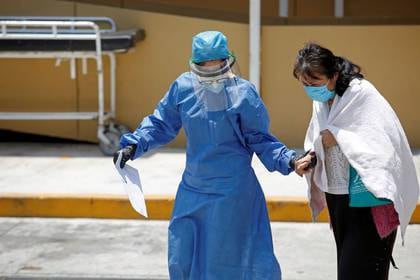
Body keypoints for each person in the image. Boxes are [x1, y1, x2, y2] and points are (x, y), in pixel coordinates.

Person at [114, 31, 314, 279]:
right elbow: (160, 123)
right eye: (204, 68)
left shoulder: (243, 93)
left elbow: (260, 139)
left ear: (226, 61)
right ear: (195, 65)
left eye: (216, 67)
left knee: (236, 259)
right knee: (182, 255)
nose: (211, 74)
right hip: (194, 188)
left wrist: (290, 160)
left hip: (234, 193)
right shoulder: (183, 88)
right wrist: (133, 145)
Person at [293, 42, 420, 280]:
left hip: (368, 199)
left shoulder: (361, 94)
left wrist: (338, 137)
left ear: (334, 75)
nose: (311, 89)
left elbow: (381, 142)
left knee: (360, 270)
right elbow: (317, 138)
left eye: (316, 82)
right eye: (305, 84)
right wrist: (310, 157)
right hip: (338, 197)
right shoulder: (321, 101)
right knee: (351, 270)